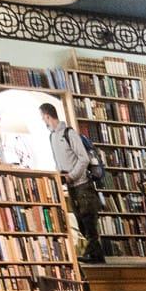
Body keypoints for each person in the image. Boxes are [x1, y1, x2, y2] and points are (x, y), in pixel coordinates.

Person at [41, 102, 104, 264]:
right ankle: (95, 255)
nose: (43, 120)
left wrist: (72, 175)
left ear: (47, 115)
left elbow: (83, 158)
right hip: (70, 185)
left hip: (82, 183)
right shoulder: (52, 137)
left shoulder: (69, 134)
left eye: (43, 117)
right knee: (81, 220)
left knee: (88, 218)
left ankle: (95, 255)